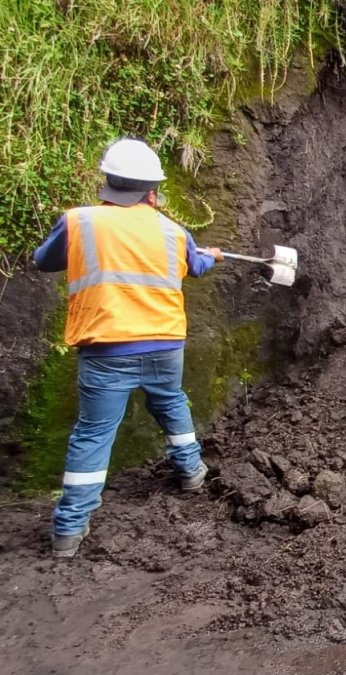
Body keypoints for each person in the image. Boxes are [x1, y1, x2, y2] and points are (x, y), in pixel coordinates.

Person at [32, 138, 224, 558]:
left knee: (94, 433)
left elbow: (43, 261)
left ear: (108, 184)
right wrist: (210, 254)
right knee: (171, 401)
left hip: (107, 350)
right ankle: (191, 472)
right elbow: (198, 266)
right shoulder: (173, 231)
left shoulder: (80, 221)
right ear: (151, 191)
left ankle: (68, 532)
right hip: (164, 344)